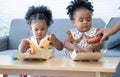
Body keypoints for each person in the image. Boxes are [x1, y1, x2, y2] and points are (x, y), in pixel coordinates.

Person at [18, 5, 63, 77]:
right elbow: (21, 51)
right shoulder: (30, 41)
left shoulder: (49, 39)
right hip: (34, 67)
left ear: (47, 28)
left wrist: (56, 40)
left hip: (49, 67)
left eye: (42, 29)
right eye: (36, 30)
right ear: (30, 29)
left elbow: (60, 48)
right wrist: (23, 43)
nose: (39, 32)